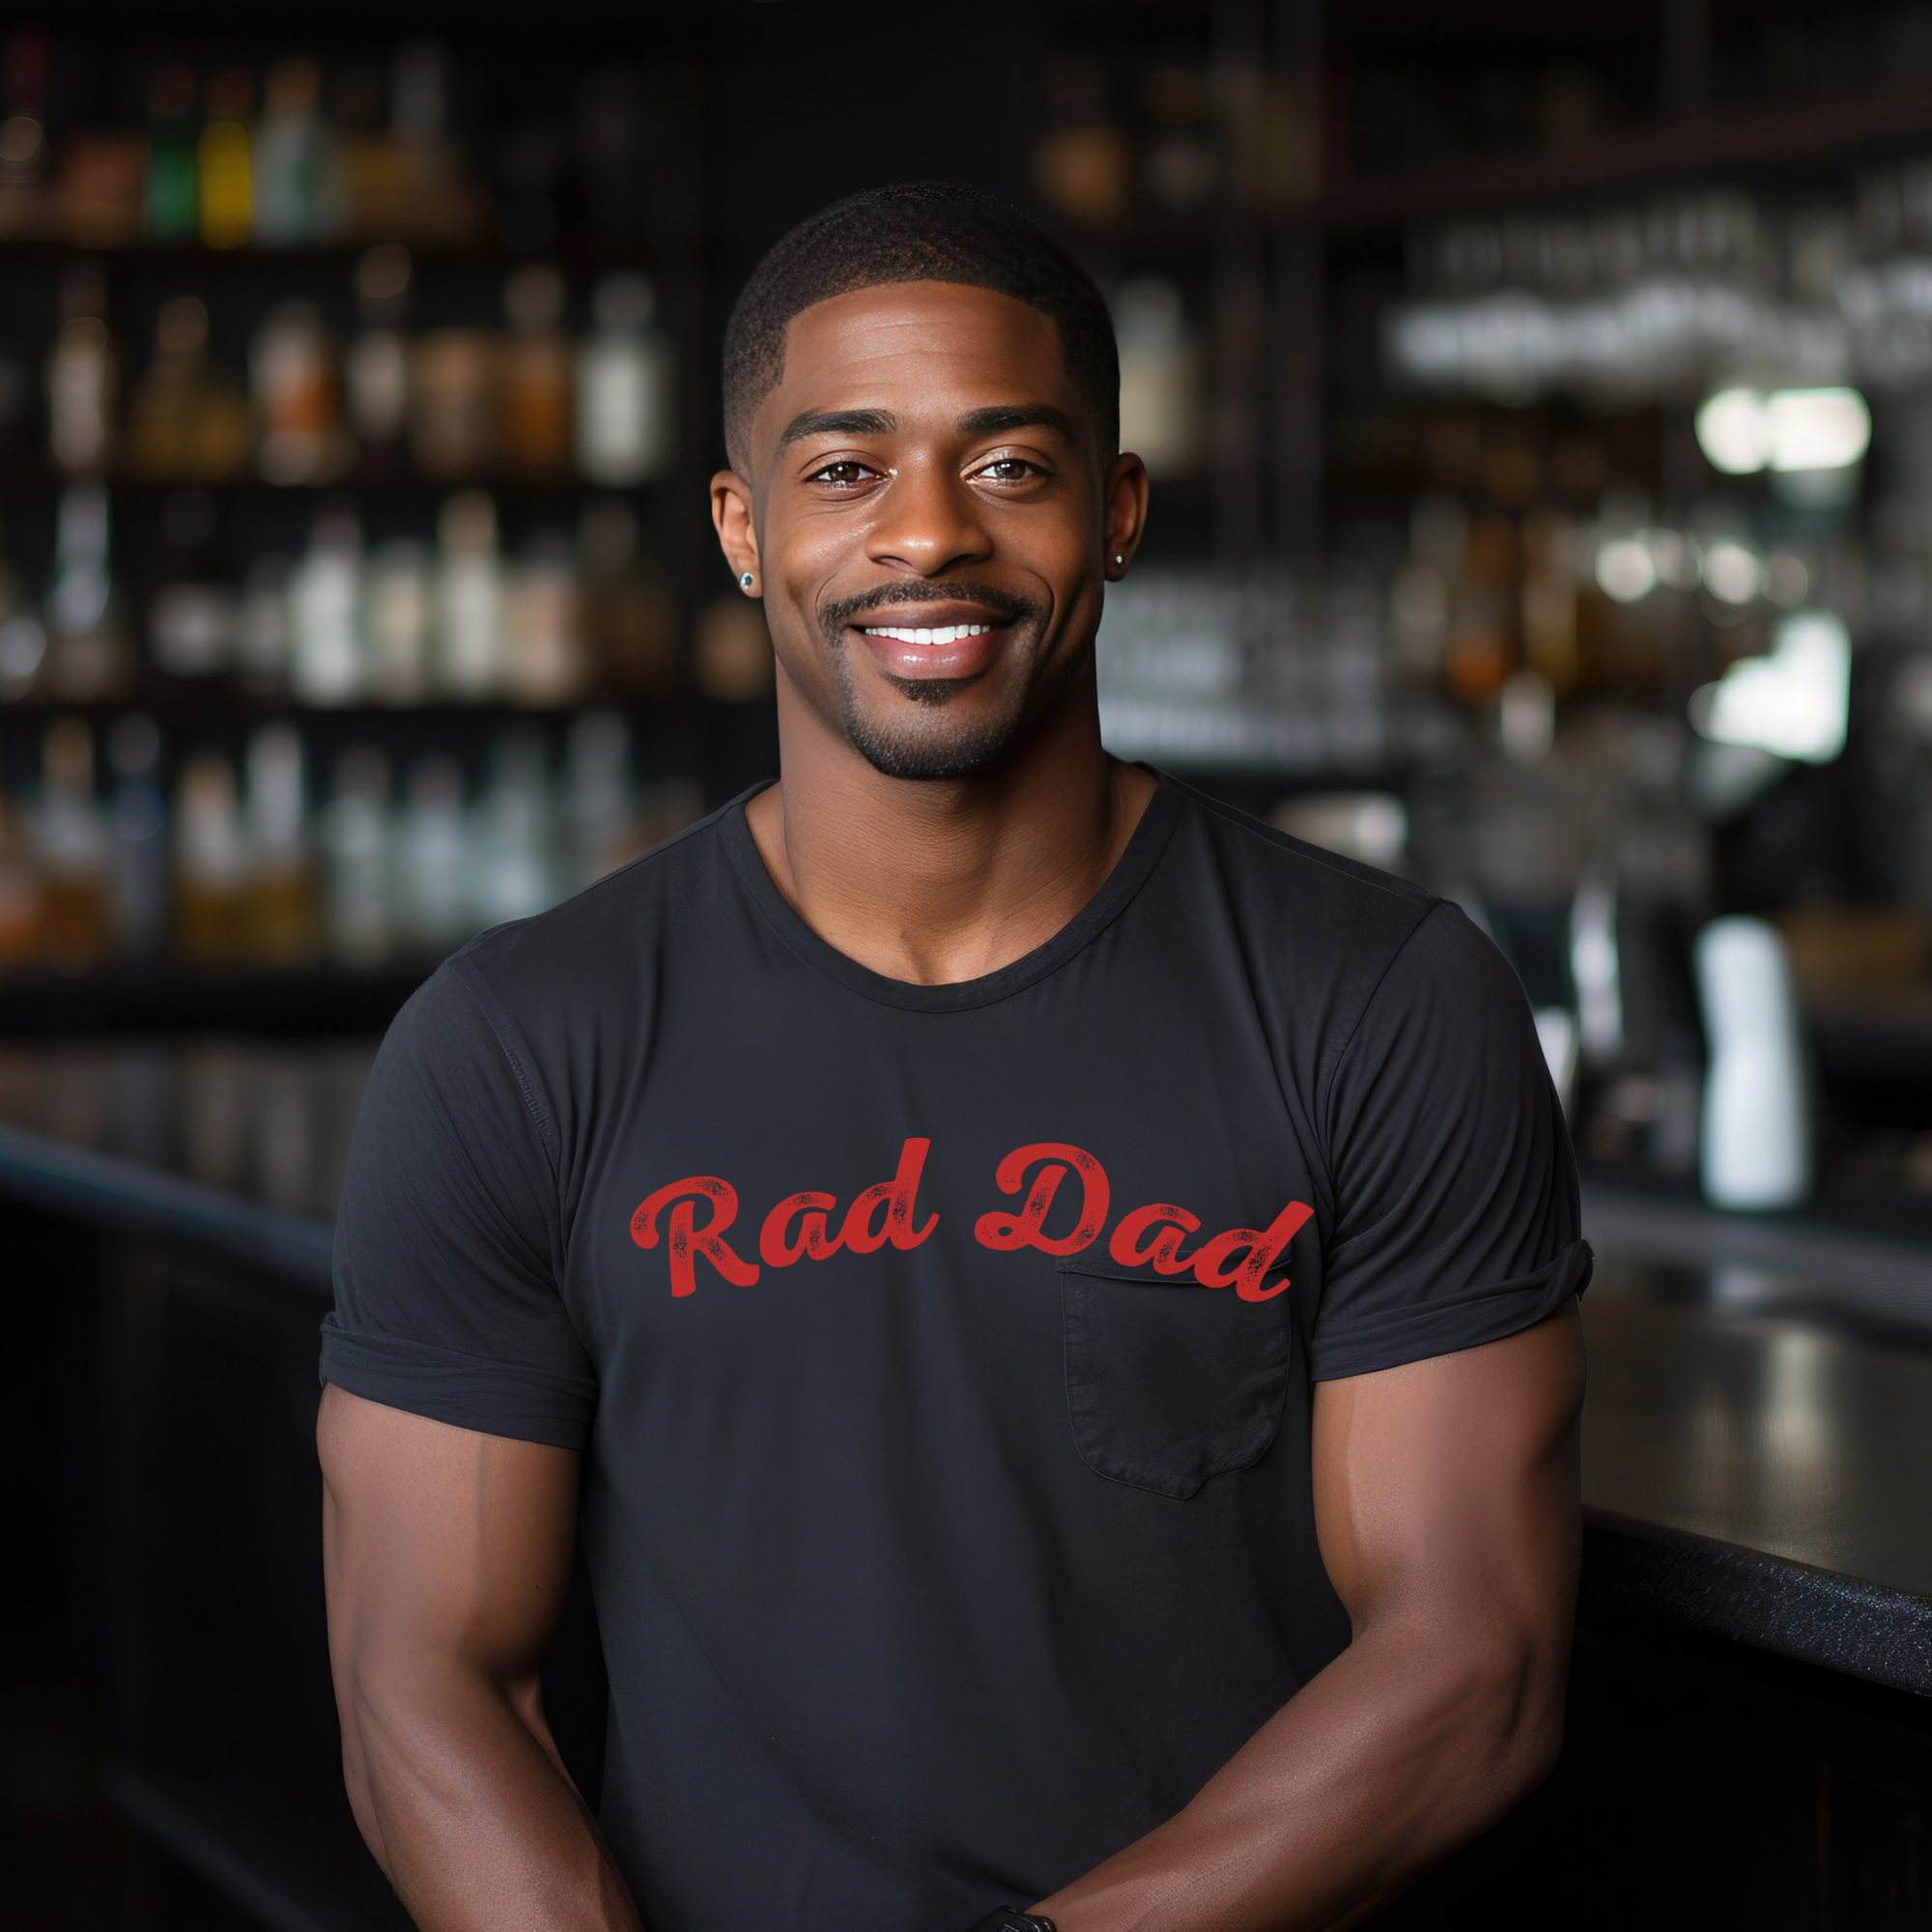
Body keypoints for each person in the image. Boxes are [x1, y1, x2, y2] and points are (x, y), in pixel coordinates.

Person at [318, 182, 1588, 1932]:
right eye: (844, 469)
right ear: (740, 525)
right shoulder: (522, 1042)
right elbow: (428, 1682)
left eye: (1010, 465)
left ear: (1117, 509)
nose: (929, 536)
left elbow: (1477, 1659)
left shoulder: (1378, 998)